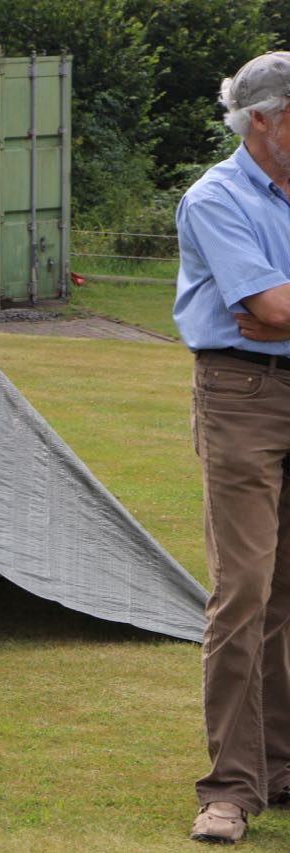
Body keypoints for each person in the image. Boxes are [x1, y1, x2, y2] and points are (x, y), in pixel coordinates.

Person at [174, 51, 290, 844]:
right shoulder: (216, 198)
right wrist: (275, 313)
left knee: (287, 595)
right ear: (264, 121)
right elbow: (269, 310)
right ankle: (229, 787)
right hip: (242, 394)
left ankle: (278, 766)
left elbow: (279, 310)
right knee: (245, 589)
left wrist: (278, 312)